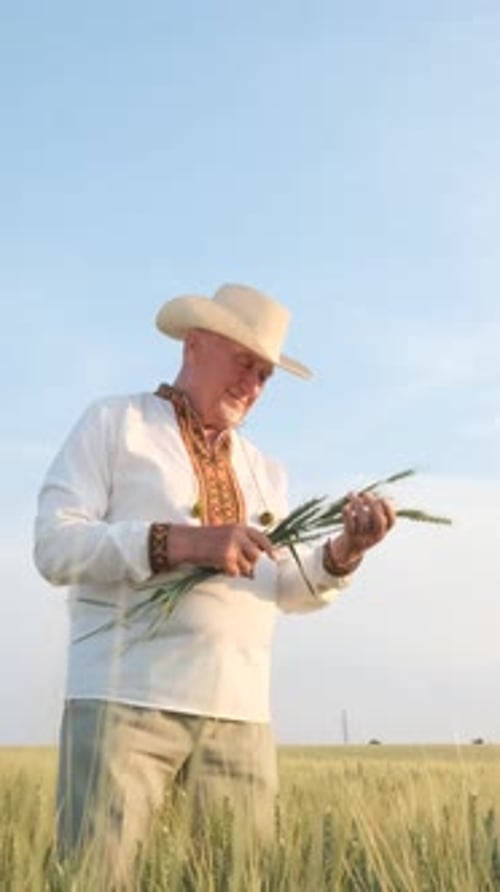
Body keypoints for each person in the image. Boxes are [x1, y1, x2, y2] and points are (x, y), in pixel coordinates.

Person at [34, 283, 395, 885]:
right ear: (195, 344)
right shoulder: (114, 422)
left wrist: (344, 552)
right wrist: (179, 541)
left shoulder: (264, 470)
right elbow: (54, 545)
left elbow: (284, 586)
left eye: (265, 375)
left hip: (240, 718)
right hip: (124, 707)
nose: (253, 385)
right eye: (244, 362)